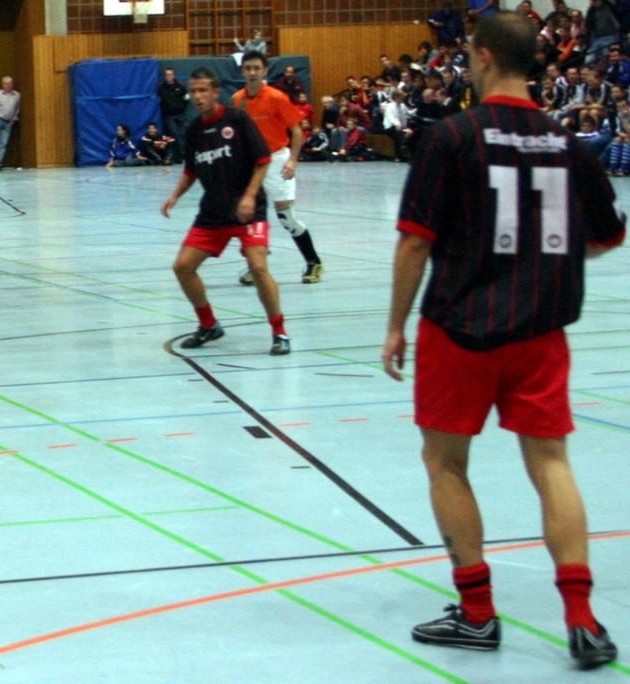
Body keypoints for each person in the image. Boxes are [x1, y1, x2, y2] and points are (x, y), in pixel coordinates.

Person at [382, 12, 623, 669]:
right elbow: (607, 236)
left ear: (483, 58)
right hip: (541, 330)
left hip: (459, 328)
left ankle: (479, 612)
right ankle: (582, 618)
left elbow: (414, 240)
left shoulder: (452, 137)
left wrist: (396, 325)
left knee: (446, 464)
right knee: (552, 465)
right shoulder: (567, 142)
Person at [161, 68, 289, 356]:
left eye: (202, 90)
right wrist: (175, 196)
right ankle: (209, 325)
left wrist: (249, 196)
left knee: (257, 267)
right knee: (182, 267)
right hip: (213, 213)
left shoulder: (237, 120)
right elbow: (191, 171)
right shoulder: (194, 130)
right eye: (193, 91)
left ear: (215, 92)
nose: (197, 96)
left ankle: (279, 331)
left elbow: (262, 160)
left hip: (248, 211)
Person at [233, 51, 323, 287]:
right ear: (242, 71)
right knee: (251, 218)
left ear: (264, 71)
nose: (252, 73)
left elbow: (296, 130)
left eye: (256, 68)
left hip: (276, 160)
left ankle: (313, 261)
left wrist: (292, 160)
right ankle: (258, 266)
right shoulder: (237, 100)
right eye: (248, 68)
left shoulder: (277, 97)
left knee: (286, 217)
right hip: (252, 165)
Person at [158, 68, 189, 156]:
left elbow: (186, 99)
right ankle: (179, 154)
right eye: (167, 75)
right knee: (174, 134)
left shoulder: (181, 87)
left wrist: (181, 108)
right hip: (169, 116)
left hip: (180, 115)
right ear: (165, 76)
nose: (169, 76)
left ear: (173, 76)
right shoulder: (161, 88)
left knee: (183, 134)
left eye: (170, 74)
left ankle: (184, 154)